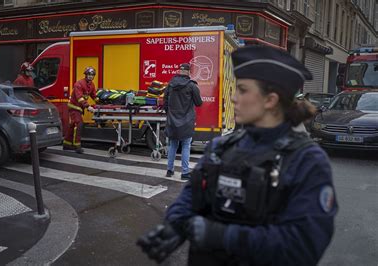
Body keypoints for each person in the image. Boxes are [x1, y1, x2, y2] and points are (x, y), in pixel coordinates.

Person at [137, 45, 338, 265]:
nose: (233, 98)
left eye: (242, 90)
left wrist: (223, 236)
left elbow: (303, 247)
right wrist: (175, 225)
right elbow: (191, 196)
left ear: (270, 100)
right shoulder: (222, 147)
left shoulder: (307, 160)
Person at [164, 63, 203, 180]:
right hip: (186, 121)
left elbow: (165, 102)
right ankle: (185, 173)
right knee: (186, 146)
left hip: (172, 121)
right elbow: (199, 103)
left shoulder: (170, 85)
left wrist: (170, 114)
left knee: (173, 145)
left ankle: (169, 171)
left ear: (179, 71)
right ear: (188, 72)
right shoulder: (192, 86)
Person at [63, 66, 98, 154]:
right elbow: (80, 98)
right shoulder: (79, 84)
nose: (90, 76)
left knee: (72, 125)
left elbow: (94, 95)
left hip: (80, 107)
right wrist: (88, 106)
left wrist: (100, 101)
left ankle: (66, 144)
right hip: (74, 106)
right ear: (85, 75)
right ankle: (77, 145)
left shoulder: (92, 84)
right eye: (89, 74)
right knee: (79, 123)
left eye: (92, 75)